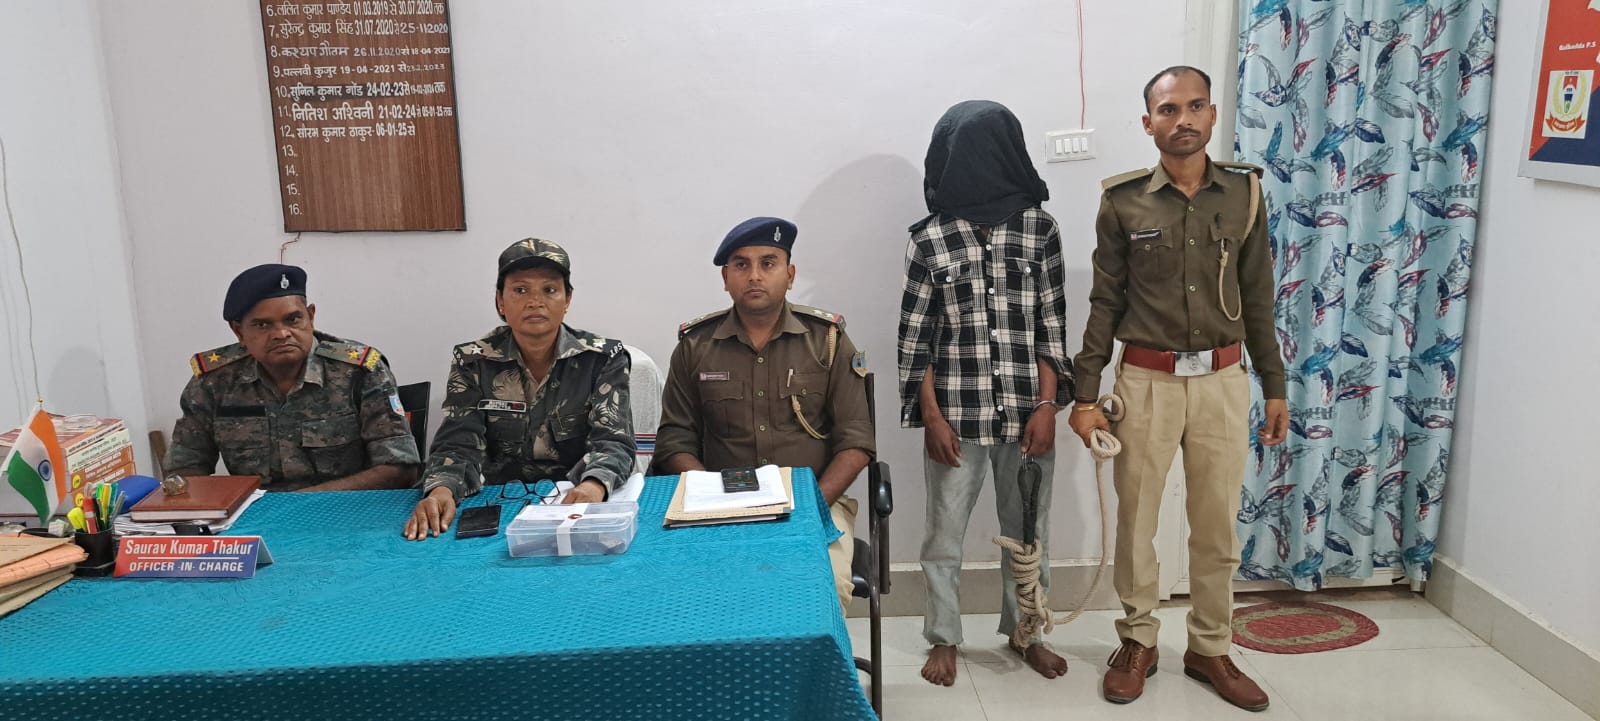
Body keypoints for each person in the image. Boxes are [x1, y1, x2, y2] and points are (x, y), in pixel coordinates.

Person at [1068, 66, 1289, 712]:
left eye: (1195, 107)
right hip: (1146, 382)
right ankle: (1138, 639)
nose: (1183, 119)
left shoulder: (1244, 195)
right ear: (1149, 123)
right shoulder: (1123, 202)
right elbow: (1104, 302)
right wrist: (1085, 397)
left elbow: (1259, 296)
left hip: (1222, 381)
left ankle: (1210, 647)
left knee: (1216, 523)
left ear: (1212, 115)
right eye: (1168, 110)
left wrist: (1274, 384)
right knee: (1136, 519)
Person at [898, 100, 1075, 686]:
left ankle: (1028, 632)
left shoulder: (1040, 230)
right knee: (943, 535)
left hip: (1029, 416)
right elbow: (916, 337)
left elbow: (1052, 325)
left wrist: (1048, 406)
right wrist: (931, 417)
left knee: (1029, 533)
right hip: (956, 416)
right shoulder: (930, 239)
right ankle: (944, 637)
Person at [654, 217, 875, 611]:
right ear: (726, 278)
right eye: (741, 264)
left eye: (768, 263)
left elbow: (856, 442)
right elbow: (674, 441)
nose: (754, 275)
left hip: (814, 502)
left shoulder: (827, 340)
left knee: (823, 588)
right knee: (697, 593)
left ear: (790, 275)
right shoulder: (695, 346)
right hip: (718, 509)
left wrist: (811, 506)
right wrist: (714, 500)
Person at [403, 239, 635, 540]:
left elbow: (613, 441)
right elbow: (458, 443)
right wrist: (441, 490)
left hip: (575, 497)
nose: (535, 301)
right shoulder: (474, 362)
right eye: (520, 290)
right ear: (500, 301)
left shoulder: (602, 359)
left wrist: (595, 484)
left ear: (567, 300)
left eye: (549, 290)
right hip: (497, 500)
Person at [167, 264, 421, 491]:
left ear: (310, 316)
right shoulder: (215, 381)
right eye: (262, 325)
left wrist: (299, 505)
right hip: (255, 514)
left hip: (344, 509)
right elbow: (184, 468)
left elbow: (400, 468)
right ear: (238, 331)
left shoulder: (359, 372)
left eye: (293, 319)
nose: (281, 334)